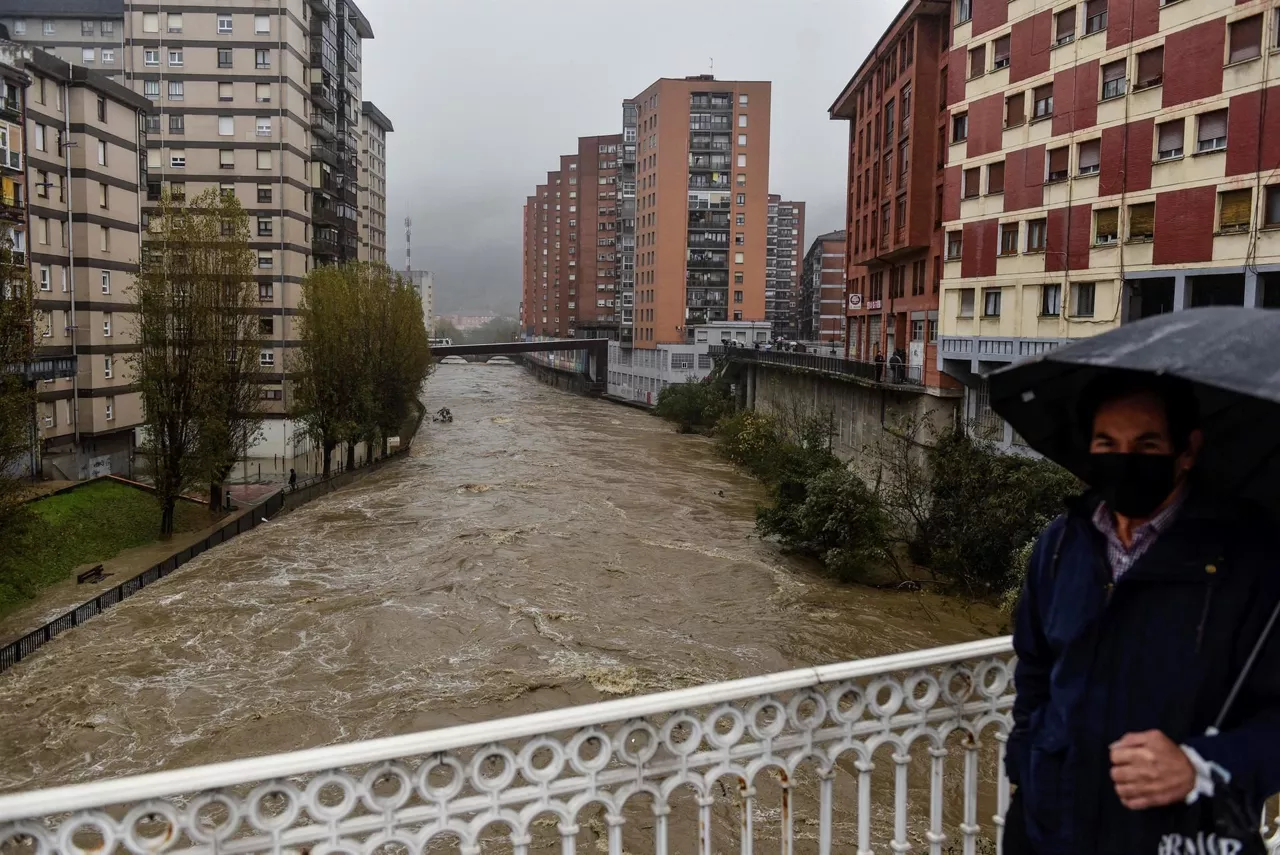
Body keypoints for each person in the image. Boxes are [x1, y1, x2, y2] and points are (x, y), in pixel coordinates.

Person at [1005, 372, 1280, 855]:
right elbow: (1035, 669)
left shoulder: (1250, 563)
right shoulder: (1061, 545)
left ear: (1187, 450)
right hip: (1051, 829)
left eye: (1146, 445)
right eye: (1106, 443)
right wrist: (1026, 764)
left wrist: (1200, 764)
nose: (1124, 460)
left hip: (1185, 835)